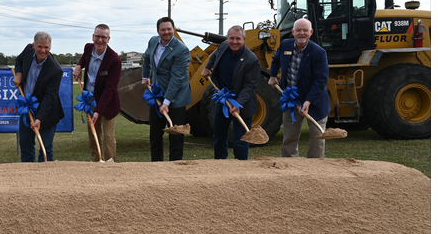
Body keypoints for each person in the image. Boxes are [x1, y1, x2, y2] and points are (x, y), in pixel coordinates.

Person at [269, 18, 331, 158]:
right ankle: (291, 169)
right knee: (289, 138)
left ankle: (314, 170)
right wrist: (273, 76)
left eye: (305, 30)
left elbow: (320, 80)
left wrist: (308, 101)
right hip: (292, 100)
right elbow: (276, 59)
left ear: (311, 32)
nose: (301, 33)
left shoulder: (318, 53)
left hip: (315, 101)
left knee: (317, 139)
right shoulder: (285, 45)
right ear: (293, 32)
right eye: (298, 30)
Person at [201, 25, 261, 160]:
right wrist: (207, 67)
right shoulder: (223, 47)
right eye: (231, 38)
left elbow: (249, 86)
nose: (234, 42)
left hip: (242, 104)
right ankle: (221, 165)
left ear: (244, 39)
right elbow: (214, 55)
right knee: (219, 137)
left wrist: (238, 104)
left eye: (238, 39)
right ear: (227, 39)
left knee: (241, 140)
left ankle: (241, 169)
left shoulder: (252, 60)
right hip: (223, 101)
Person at [141, 17, 191, 161]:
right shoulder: (153, 41)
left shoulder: (181, 50)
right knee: (155, 134)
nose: (166, 32)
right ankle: (156, 165)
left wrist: (167, 102)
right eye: (163, 29)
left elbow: (177, 78)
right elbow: (146, 58)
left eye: (169, 29)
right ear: (158, 31)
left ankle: (175, 168)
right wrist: (146, 76)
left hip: (176, 97)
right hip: (157, 93)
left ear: (173, 29)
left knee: (176, 136)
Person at [72, 24, 122, 162]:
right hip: (90, 99)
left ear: (109, 39)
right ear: (93, 37)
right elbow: (83, 58)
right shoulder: (88, 47)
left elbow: (110, 89)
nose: (100, 40)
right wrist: (78, 66)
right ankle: (96, 162)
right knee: (93, 134)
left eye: (104, 37)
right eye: (97, 36)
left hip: (108, 102)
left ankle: (110, 163)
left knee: (108, 136)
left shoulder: (115, 60)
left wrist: (98, 111)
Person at [12, 31, 64, 162]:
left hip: (47, 112)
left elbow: (50, 97)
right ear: (33, 46)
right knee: (25, 144)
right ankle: (27, 174)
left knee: (46, 146)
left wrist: (39, 118)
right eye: (40, 46)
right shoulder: (28, 51)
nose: (43, 50)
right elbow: (19, 60)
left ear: (50, 48)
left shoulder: (55, 70)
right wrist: (19, 74)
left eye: (46, 47)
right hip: (26, 107)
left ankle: (45, 175)